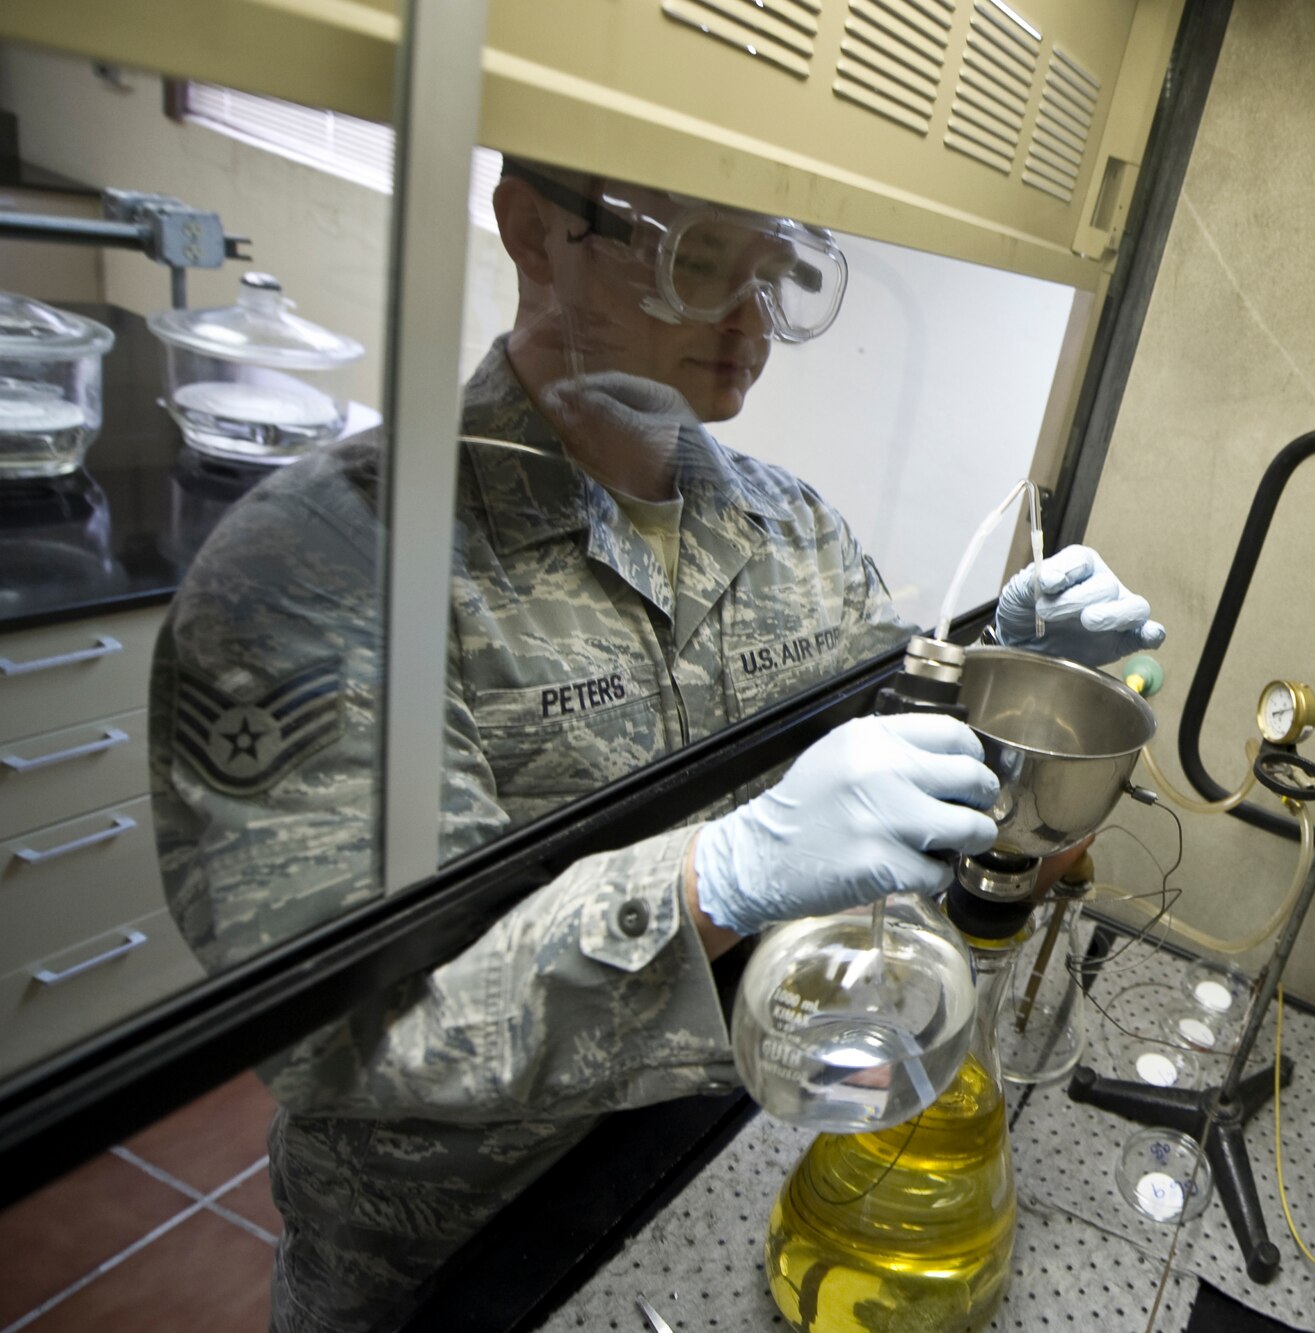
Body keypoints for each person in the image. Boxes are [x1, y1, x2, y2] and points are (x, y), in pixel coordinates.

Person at [148, 156, 1165, 1333]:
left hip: (713, 1157)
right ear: (532, 229)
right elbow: (340, 1037)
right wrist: (709, 884)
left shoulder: (788, 530)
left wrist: (1009, 692)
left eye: (775, 276)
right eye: (699, 264)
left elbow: (886, 794)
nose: (747, 324)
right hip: (457, 1258)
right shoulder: (327, 571)